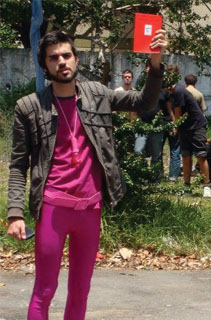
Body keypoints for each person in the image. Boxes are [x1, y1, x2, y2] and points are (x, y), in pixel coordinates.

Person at [6, 29, 167, 319]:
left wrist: (155, 62)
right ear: (45, 65)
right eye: (53, 57)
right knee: (44, 290)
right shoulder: (29, 107)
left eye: (67, 55)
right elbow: (18, 164)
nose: (61, 61)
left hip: (90, 209)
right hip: (53, 209)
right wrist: (15, 212)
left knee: (81, 290)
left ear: (76, 59)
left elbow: (144, 102)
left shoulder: (98, 95)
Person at [166, 65, 211, 197]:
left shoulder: (179, 91)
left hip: (197, 126)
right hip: (185, 127)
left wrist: (175, 127)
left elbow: (178, 111)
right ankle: (187, 186)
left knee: (200, 155)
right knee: (186, 156)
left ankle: (206, 186)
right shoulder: (171, 92)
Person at [137, 88, 181, 181]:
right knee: (139, 151)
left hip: (158, 125)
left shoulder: (163, 92)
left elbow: (169, 109)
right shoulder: (141, 90)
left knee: (156, 154)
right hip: (142, 124)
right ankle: (142, 177)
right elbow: (134, 106)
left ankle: (154, 178)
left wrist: (174, 124)